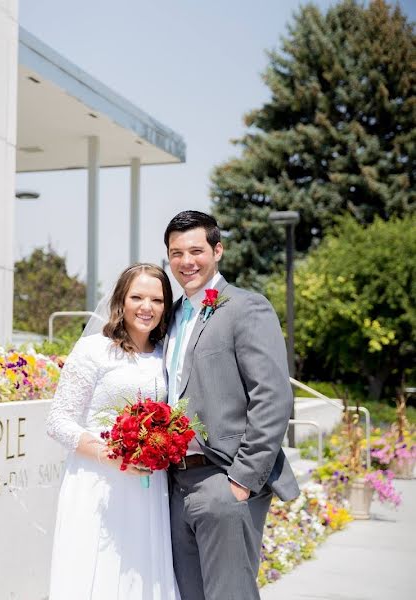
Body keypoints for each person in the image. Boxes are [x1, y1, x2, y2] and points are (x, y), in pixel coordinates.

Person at [163, 210, 299, 600]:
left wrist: (240, 482)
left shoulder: (246, 307)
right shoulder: (170, 317)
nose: (186, 261)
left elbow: (272, 397)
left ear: (217, 250)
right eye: (176, 253)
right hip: (175, 484)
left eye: (196, 250)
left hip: (224, 479)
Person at [46, 263, 180, 600]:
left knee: (141, 574)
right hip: (97, 481)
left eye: (157, 300)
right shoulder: (94, 349)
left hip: (149, 486)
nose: (147, 307)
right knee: (96, 569)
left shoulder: (167, 355)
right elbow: (58, 421)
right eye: (137, 297)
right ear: (121, 299)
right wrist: (111, 454)